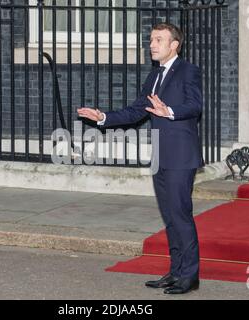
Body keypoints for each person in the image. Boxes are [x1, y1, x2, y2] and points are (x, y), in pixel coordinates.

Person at [77, 23, 203, 295]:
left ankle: (190, 276)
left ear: (174, 45)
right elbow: (136, 111)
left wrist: (168, 110)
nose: (152, 44)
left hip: (181, 157)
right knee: (170, 217)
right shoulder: (154, 76)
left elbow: (195, 105)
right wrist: (104, 118)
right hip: (161, 157)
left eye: (159, 40)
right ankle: (176, 271)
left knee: (181, 216)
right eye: (150, 40)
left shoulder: (187, 71)